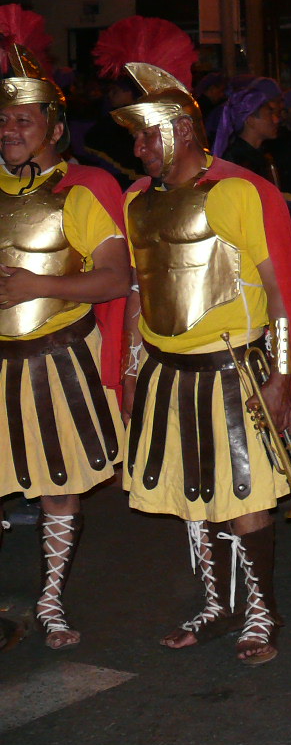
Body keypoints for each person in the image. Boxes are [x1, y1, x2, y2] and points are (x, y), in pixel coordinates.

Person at [99, 15, 291, 665]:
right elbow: (140, 292)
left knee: (244, 498)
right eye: (135, 138)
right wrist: (133, 368)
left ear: (183, 130)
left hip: (233, 371)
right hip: (166, 372)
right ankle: (215, 604)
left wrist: (280, 377)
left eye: (145, 137)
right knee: (192, 499)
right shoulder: (139, 202)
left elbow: (278, 296)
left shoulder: (237, 195)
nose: (137, 150)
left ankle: (259, 613)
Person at [0, 35, 130, 650]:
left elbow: (115, 275)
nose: (8, 129)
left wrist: (37, 284)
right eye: (2, 119)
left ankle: (50, 602)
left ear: (53, 128)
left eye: (22, 120)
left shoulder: (81, 190)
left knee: (59, 485)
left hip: (57, 358)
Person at [213, 77, 284, 184]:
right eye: (269, 114)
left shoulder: (263, 156)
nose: (276, 120)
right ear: (250, 120)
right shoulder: (235, 162)